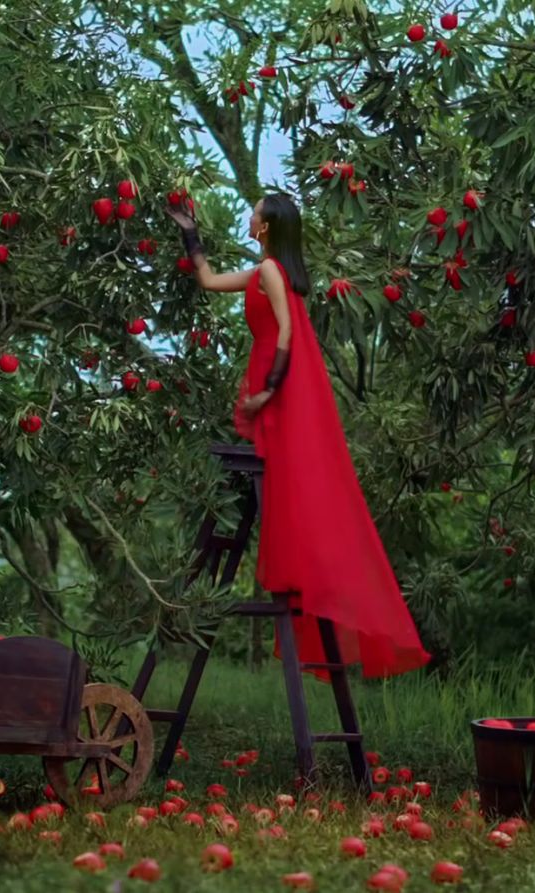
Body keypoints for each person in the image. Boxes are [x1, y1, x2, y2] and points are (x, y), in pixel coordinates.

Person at [166, 193, 430, 680]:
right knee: (290, 484)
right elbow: (206, 280)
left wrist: (268, 390)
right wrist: (189, 231)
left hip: (279, 386)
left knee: (291, 483)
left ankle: (308, 574)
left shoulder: (271, 273)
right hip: (274, 383)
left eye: (254, 213)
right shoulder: (266, 271)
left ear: (266, 227)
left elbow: (285, 333)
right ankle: (306, 574)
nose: (249, 217)